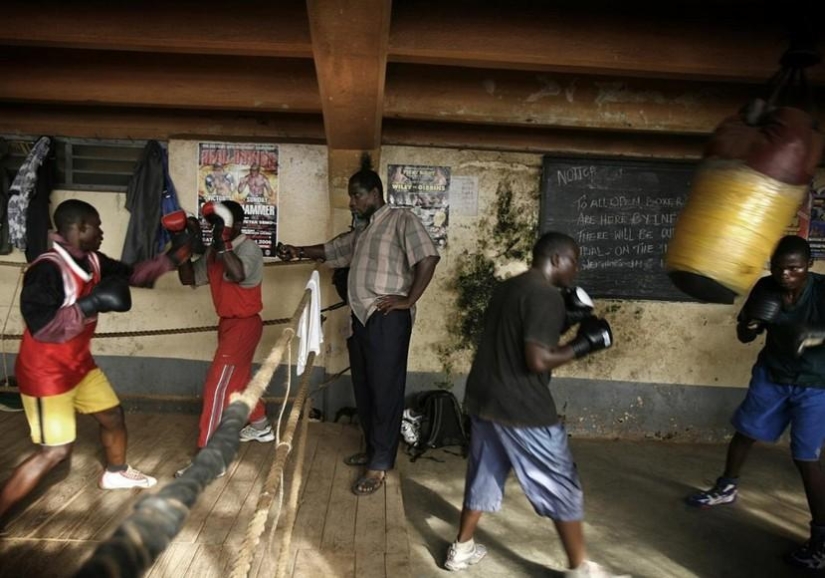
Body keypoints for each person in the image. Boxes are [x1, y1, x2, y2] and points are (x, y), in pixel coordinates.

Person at [443, 232, 626, 578]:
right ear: (557, 260)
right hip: (522, 408)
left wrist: (565, 319)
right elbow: (538, 359)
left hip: (485, 398)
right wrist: (584, 344)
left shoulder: (509, 288)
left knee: (484, 475)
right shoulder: (544, 296)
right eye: (575, 260)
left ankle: (462, 549)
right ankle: (580, 570)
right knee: (560, 484)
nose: (578, 268)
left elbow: (516, 334)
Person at [0, 199, 190, 524]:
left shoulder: (93, 260)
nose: (102, 232)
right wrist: (92, 304)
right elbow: (42, 326)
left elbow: (134, 275)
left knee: (113, 416)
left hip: (79, 365)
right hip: (46, 374)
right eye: (97, 226)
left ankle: (115, 472)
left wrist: (176, 254)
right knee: (55, 452)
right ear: (80, 227)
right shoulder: (47, 269)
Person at [278, 153, 440, 496]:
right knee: (365, 389)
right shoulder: (363, 231)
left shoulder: (400, 219)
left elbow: (428, 256)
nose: (352, 201)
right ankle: (372, 449)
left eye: (356, 195)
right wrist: (297, 250)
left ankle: (380, 465)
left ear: (374, 193)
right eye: (352, 196)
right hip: (361, 319)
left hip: (387, 318)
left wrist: (408, 300)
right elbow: (332, 250)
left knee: (385, 390)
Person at [686, 235, 825, 570]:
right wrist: (749, 324)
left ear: (808, 266)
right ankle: (726, 487)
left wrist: (816, 336)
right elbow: (745, 335)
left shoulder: (822, 291)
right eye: (779, 267)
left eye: (794, 268)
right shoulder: (766, 288)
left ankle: (821, 537)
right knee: (745, 431)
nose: (786, 275)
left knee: (806, 458)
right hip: (772, 375)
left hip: (815, 385)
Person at [175, 200, 272, 477]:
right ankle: (261, 425)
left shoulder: (248, 248)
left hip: (244, 325)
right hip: (228, 325)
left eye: (220, 223)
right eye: (212, 224)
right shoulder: (214, 252)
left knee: (217, 387)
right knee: (237, 382)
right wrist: (183, 246)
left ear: (235, 224)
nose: (214, 229)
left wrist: (223, 242)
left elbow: (238, 274)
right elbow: (189, 278)